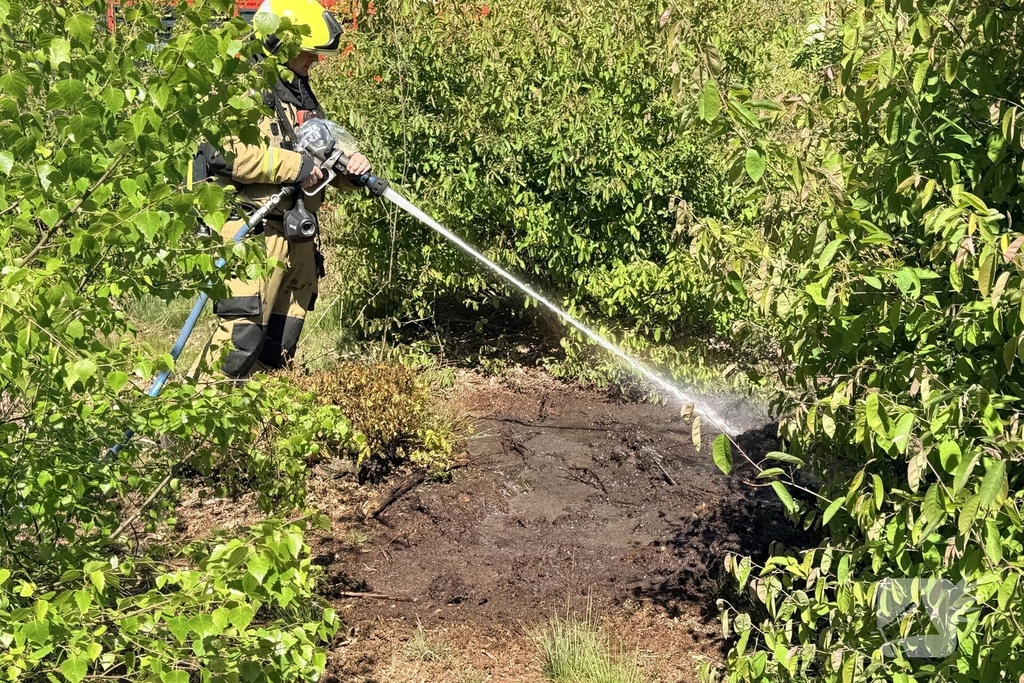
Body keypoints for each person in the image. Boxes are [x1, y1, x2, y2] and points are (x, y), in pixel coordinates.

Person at [192, 0, 372, 379]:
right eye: (308, 52)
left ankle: (255, 427)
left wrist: (350, 170)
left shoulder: (298, 95)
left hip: (296, 232)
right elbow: (230, 155)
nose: (314, 61)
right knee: (240, 337)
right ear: (280, 44)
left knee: (280, 340)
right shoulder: (239, 89)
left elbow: (317, 153)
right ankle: (187, 430)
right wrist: (299, 167)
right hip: (250, 232)